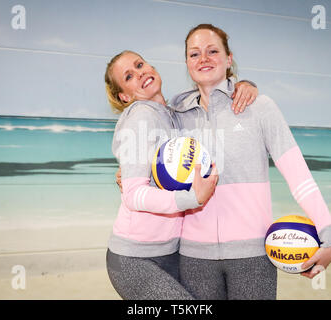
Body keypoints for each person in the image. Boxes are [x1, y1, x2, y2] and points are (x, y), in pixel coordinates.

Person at [169, 24, 331, 300]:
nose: (204, 59)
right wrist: (128, 173)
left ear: (229, 58)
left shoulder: (260, 107)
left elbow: (298, 174)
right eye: (194, 54)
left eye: (213, 51)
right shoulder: (176, 117)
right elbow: (155, 167)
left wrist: (329, 236)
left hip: (253, 256)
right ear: (187, 63)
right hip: (193, 257)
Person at [104, 50, 258, 299]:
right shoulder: (140, 116)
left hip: (173, 254)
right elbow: (133, 195)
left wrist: (246, 86)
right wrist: (193, 198)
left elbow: (211, 96)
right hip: (134, 258)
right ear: (124, 96)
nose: (141, 72)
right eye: (129, 76)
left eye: (140, 64)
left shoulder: (175, 114)